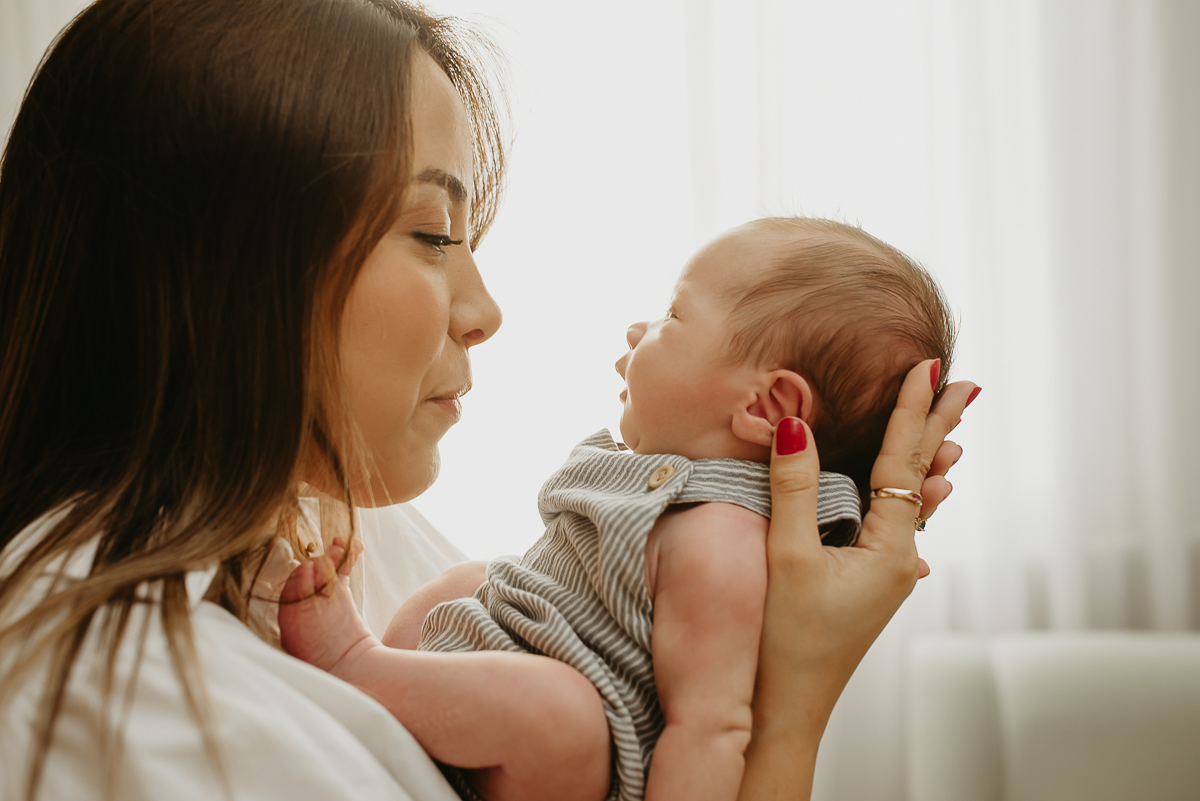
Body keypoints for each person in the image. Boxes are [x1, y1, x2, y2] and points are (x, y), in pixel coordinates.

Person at [0, 1, 976, 800]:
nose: (485, 312)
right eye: (433, 234)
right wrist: (797, 701)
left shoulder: (325, 523)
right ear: (231, 269)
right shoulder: (131, 695)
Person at [276, 217, 968, 801]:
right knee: (471, 581)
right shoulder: (669, 489)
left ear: (766, 407)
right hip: (498, 687)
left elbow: (710, 729)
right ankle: (386, 693)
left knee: (562, 712)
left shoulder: (721, 540)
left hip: (565, 759)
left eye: (673, 316)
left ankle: (354, 664)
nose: (639, 329)